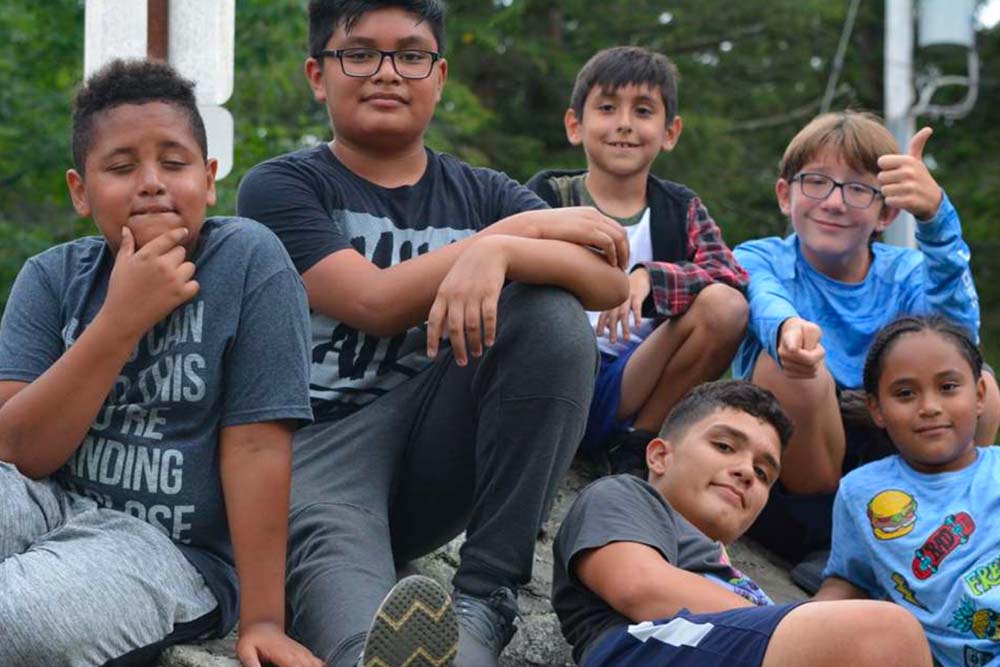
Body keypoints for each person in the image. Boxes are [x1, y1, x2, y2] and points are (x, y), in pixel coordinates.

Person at [235, 2, 630, 666]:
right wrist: (505, 240)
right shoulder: (282, 187)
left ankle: (486, 595)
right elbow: (372, 299)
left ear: (439, 76)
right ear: (316, 74)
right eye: (359, 53)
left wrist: (497, 253)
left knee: (550, 315)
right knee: (362, 630)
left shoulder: (483, 193)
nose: (387, 72)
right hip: (318, 458)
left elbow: (608, 283)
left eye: (411, 55)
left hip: (433, 442)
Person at [0, 59, 321, 667]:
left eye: (173, 164)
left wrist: (262, 620)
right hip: (48, 501)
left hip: (172, 549)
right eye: (121, 167)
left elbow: (257, 447)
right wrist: (119, 320)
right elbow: (20, 452)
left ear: (209, 179)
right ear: (80, 190)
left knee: (17, 619)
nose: (151, 182)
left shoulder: (249, 261)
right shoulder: (50, 277)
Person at [732, 110, 1000, 576]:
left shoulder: (906, 273)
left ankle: (948, 521)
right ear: (784, 194)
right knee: (793, 369)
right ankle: (829, 542)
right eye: (816, 181)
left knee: (980, 385)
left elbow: (960, 338)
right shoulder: (760, 257)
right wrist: (788, 330)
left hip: (894, 462)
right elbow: (763, 297)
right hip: (792, 481)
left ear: (887, 212)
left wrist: (936, 218)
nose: (834, 203)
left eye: (858, 189)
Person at [551, 379, 933, 667]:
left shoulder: (734, 579)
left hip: (721, 644)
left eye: (764, 472)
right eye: (724, 446)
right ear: (660, 457)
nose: (747, 472)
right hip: (645, 648)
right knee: (885, 634)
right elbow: (639, 587)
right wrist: (803, 628)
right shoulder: (623, 495)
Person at [526, 46, 749, 477]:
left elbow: (731, 278)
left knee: (726, 306)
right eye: (607, 108)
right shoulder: (550, 195)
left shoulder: (679, 208)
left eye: (643, 111)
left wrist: (650, 278)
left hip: (632, 383)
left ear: (670, 132)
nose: (624, 124)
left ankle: (634, 446)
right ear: (576, 124)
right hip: (549, 375)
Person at [816, 315, 1000, 667]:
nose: (929, 407)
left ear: (979, 395)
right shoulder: (860, 492)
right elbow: (850, 579)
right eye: (905, 393)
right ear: (877, 409)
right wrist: (793, 623)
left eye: (948, 387)